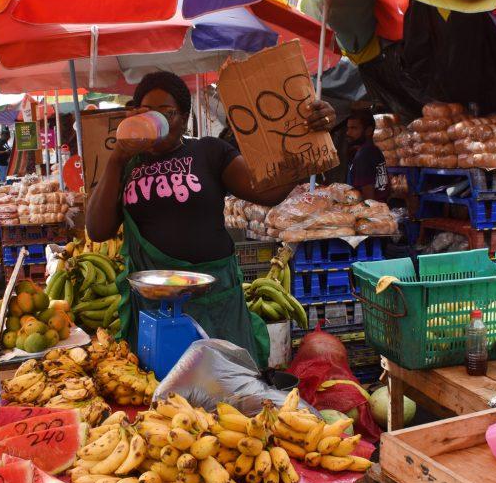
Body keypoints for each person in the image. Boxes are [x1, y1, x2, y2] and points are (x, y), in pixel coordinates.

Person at [85, 71, 335, 366]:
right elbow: (97, 229)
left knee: (227, 393)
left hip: (214, 298)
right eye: (147, 112)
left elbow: (267, 192)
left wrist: (311, 137)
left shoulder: (208, 152)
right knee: (165, 398)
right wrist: (117, 157)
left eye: (167, 113)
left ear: (184, 118)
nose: (158, 121)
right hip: (156, 304)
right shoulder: (127, 166)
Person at [345, 110, 389, 202]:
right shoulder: (375, 150)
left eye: (354, 128)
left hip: (371, 212)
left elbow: (369, 198)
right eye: (348, 128)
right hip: (381, 208)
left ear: (368, 131)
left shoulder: (364, 155)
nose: (348, 133)